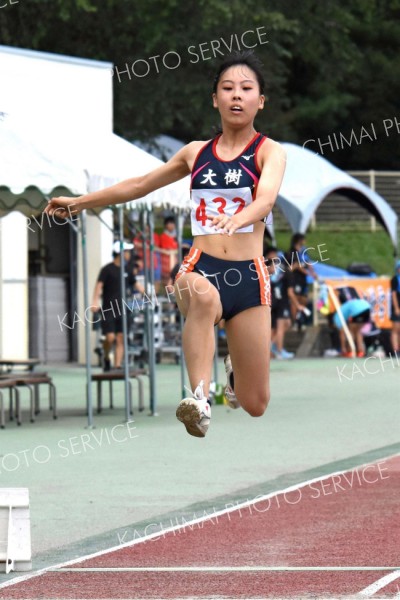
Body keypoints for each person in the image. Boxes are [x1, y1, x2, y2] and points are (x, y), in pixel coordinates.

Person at [45, 50, 286, 438]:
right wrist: (78, 202)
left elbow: (267, 199)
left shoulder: (269, 151)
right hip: (202, 265)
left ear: (261, 100)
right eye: (227, 88)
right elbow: (139, 185)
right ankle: (198, 400)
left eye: (246, 89)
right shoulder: (195, 153)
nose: (236, 96)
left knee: (256, 404)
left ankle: (233, 375)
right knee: (203, 297)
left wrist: (239, 218)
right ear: (215, 99)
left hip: (248, 275)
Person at [92, 241, 144, 371]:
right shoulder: (107, 269)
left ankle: (117, 365)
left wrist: (147, 293)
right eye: (126, 252)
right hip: (108, 309)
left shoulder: (127, 270)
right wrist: (94, 301)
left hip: (123, 309)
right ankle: (106, 356)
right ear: (120, 253)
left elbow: (135, 283)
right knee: (110, 338)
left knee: (121, 338)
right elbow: (99, 286)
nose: (128, 255)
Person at [333, 288, 371, 357]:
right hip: (367, 308)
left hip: (357, 310)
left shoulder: (337, 318)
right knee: (358, 332)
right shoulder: (344, 308)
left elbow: (342, 332)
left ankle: (349, 351)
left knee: (351, 331)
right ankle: (360, 351)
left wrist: (343, 347)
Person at [157, 215, 179, 286]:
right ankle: (167, 293)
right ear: (166, 225)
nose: (172, 225)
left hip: (175, 259)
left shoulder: (177, 236)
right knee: (166, 278)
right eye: (170, 224)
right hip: (165, 261)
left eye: (173, 224)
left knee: (175, 276)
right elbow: (158, 248)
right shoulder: (162, 236)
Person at [390, 259, 400, 354]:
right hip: (397, 308)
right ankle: (395, 350)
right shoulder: (395, 279)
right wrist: (396, 307)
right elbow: (393, 295)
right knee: (395, 329)